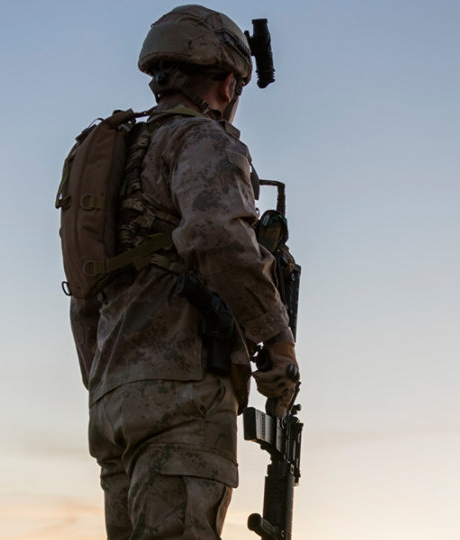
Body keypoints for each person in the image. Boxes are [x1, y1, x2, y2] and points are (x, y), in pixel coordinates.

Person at [67, 5, 299, 539]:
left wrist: (106, 382)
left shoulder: (111, 159)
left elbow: (83, 292)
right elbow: (218, 238)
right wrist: (277, 343)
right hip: (183, 398)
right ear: (225, 82)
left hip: (112, 402)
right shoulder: (201, 140)